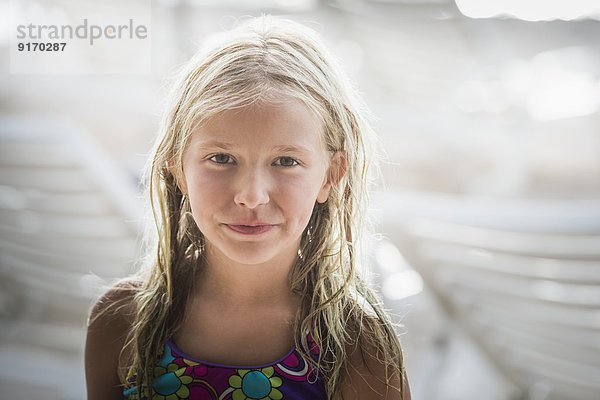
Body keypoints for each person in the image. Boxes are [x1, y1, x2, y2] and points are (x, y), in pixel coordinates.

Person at [85, 15, 410, 400]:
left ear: (331, 175)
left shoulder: (356, 346)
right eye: (221, 158)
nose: (252, 195)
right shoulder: (122, 321)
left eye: (286, 161)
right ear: (178, 169)